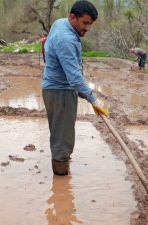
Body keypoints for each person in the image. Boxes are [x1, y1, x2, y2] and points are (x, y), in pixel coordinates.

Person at [42, 0, 108, 176]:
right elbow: (75, 78)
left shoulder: (60, 23)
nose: (88, 28)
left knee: (58, 133)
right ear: (73, 17)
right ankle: (62, 185)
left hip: (51, 88)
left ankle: (60, 167)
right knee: (63, 138)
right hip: (61, 92)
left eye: (90, 24)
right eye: (85, 23)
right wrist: (93, 99)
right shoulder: (66, 40)